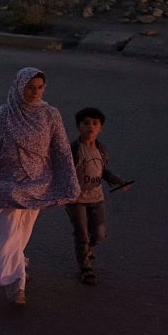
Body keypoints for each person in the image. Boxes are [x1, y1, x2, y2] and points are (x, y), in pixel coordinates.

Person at [0, 67, 80, 305]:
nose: (35, 92)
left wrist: (69, 181)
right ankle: (16, 283)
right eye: (30, 87)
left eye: (39, 87)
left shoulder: (50, 115)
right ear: (20, 86)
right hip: (5, 184)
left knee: (21, 234)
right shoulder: (4, 113)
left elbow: (61, 149)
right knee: (6, 235)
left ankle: (17, 266)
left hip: (36, 184)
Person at [65, 107, 130, 285]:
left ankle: (86, 250)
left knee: (100, 233)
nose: (90, 127)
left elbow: (102, 171)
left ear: (101, 128)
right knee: (82, 234)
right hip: (76, 199)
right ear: (78, 126)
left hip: (96, 198)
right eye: (86, 123)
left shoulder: (102, 150)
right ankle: (86, 269)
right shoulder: (73, 150)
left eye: (95, 123)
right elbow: (64, 171)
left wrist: (116, 180)